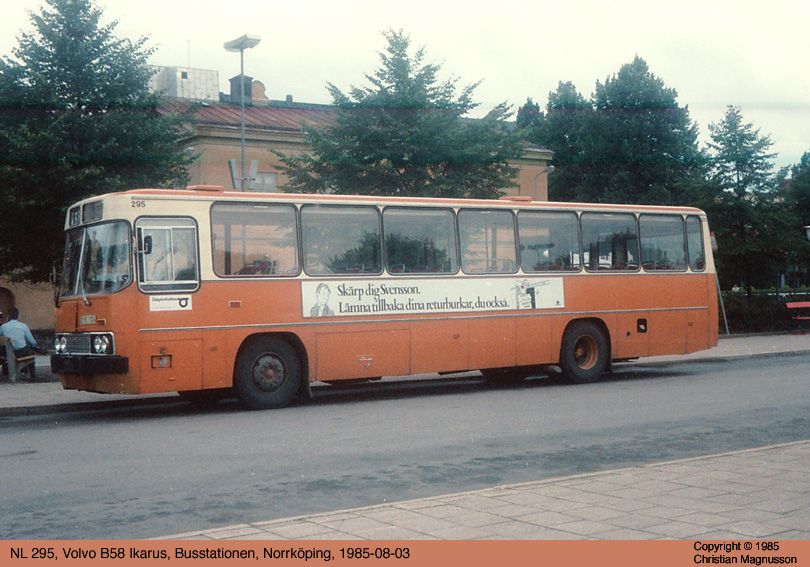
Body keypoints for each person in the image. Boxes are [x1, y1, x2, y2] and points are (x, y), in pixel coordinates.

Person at [0, 307, 42, 380]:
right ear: (17, 316)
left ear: (9, 316)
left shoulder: (3, 327)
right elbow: (32, 342)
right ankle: (33, 376)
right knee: (31, 352)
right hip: (20, 352)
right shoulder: (23, 326)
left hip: (8, 353)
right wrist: (34, 346)